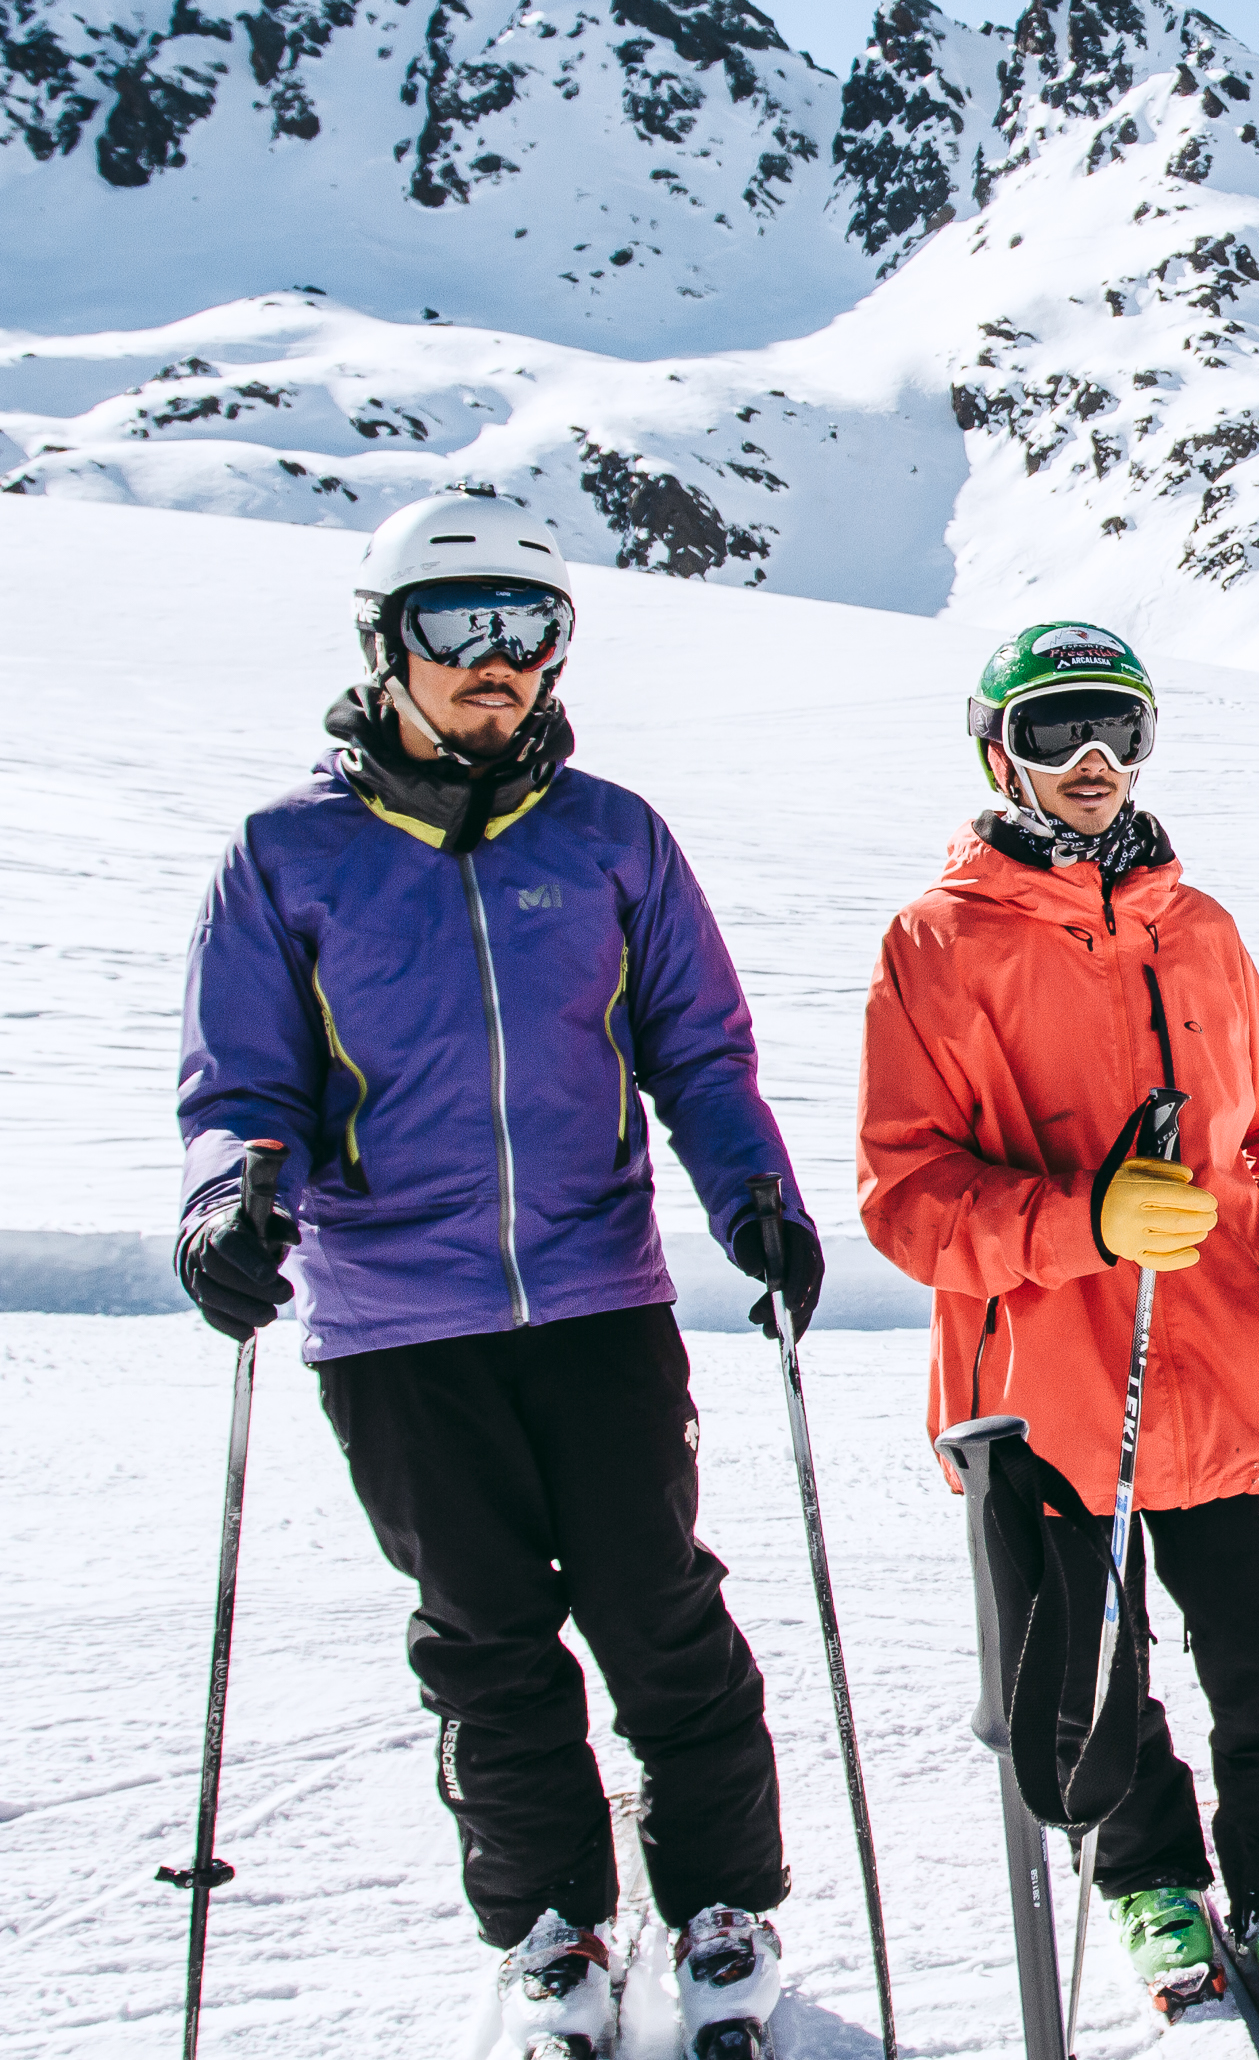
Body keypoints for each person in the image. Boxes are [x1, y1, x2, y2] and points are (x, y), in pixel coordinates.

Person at [174, 492, 821, 2056]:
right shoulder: (286, 856)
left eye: (527, 631)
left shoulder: (612, 836)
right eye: (459, 628)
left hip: (599, 1298)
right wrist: (221, 1210)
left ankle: (722, 1905)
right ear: (387, 643)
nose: (498, 662)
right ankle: (555, 1930)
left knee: (656, 1610)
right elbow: (235, 1089)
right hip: (396, 1320)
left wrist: (755, 1197)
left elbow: (699, 1049)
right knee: (483, 1637)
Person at [854, 620, 1259, 2023]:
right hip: (1052, 1395)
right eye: (1060, 726)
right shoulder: (938, 942)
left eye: (1119, 727)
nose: (1091, 758)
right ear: (994, 746)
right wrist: (1084, 1224)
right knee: (1086, 1682)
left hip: (1237, 1377)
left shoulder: (1203, 928)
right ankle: (1145, 1876)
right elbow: (906, 1198)